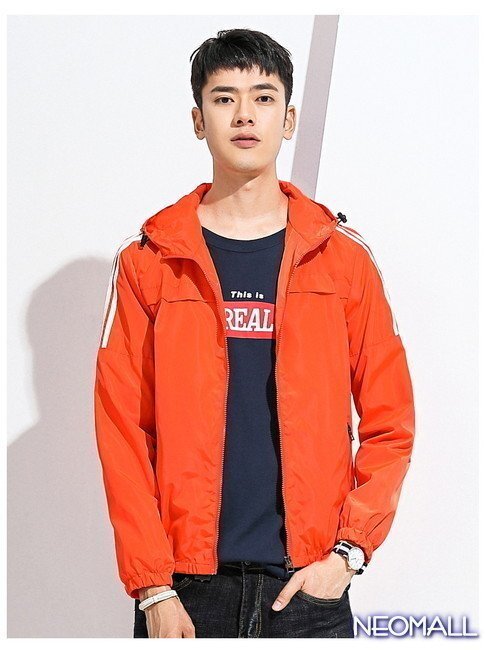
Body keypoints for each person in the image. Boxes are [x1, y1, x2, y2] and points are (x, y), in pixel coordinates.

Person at [93, 28, 415, 639]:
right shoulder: (149, 260)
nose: (244, 114)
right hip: (185, 594)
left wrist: (347, 556)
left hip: (307, 589)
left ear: (288, 119)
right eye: (224, 98)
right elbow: (122, 430)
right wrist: (153, 587)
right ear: (198, 120)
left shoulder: (342, 259)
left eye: (264, 98)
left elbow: (390, 420)